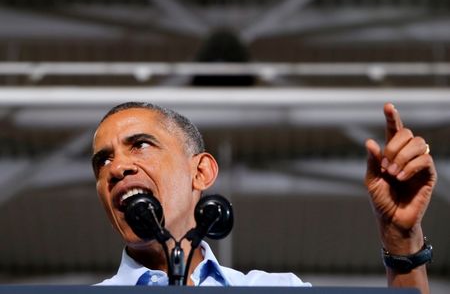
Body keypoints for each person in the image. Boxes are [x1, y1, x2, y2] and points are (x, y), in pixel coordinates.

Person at [91, 101, 435, 293]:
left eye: (140, 145)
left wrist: (401, 240)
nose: (116, 167)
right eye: (102, 160)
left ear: (201, 173)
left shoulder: (278, 289)